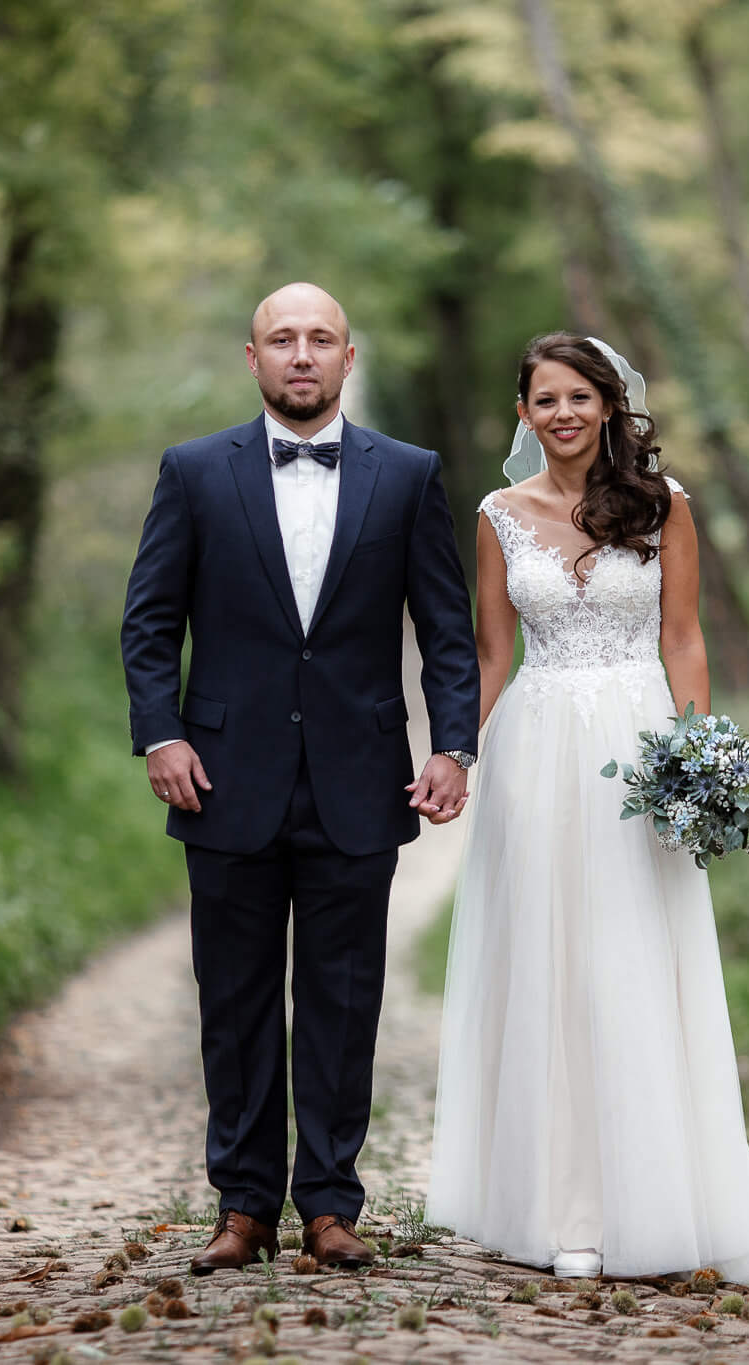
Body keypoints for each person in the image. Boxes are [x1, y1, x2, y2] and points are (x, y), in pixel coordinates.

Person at [426, 332, 749, 1285]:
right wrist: (454, 752)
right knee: (548, 960)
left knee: (634, 956)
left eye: (579, 396)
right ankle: (560, 1206)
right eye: (544, 399)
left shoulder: (663, 506)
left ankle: (658, 1197)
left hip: (639, 745)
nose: (562, 413)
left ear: (609, 405)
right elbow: (491, 653)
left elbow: (682, 637)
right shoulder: (497, 515)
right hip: (536, 748)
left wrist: (696, 759)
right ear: (522, 414)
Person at [120, 283, 481, 1274]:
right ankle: (242, 1208)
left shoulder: (407, 476)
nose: (301, 354)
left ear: (347, 357)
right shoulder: (193, 472)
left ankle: (329, 1205)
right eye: (281, 339)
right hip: (221, 778)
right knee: (234, 1002)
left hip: (359, 780)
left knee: (342, 997)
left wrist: (452, 745)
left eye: (319, 338)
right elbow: (150, 623)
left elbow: (446, 629)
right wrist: (160, 735)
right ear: (251, 359)